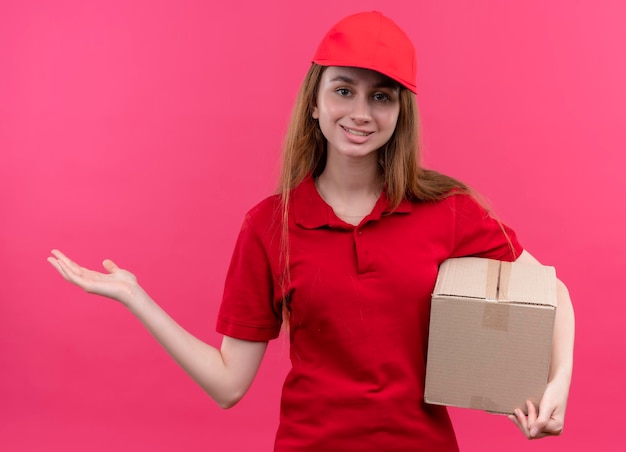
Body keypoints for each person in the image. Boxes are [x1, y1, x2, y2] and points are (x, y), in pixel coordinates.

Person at [47, 11, 574, 451]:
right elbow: (229, 384)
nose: (360, 113)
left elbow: (552, 290)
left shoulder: (446, 211)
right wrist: (137, 298)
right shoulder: (269, 226)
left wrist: (557, 385)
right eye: (343, 90)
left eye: (381, 97)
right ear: (315, 103)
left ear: (400, 113)